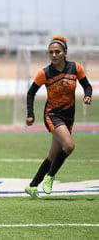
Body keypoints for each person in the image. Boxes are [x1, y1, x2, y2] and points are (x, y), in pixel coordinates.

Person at [24, 35, 93, 199]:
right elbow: (31, 92)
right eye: (51, 52)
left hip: (69, 116)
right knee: (68, 145)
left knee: (53, 155)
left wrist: (87, 95)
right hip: (52, 115)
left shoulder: (75, 68)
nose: (54, 55)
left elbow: (87, 86)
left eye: (57, 52)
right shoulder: (45, 73)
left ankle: (32, 186)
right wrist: (30, 114)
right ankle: (50, 176)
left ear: (65, 52)